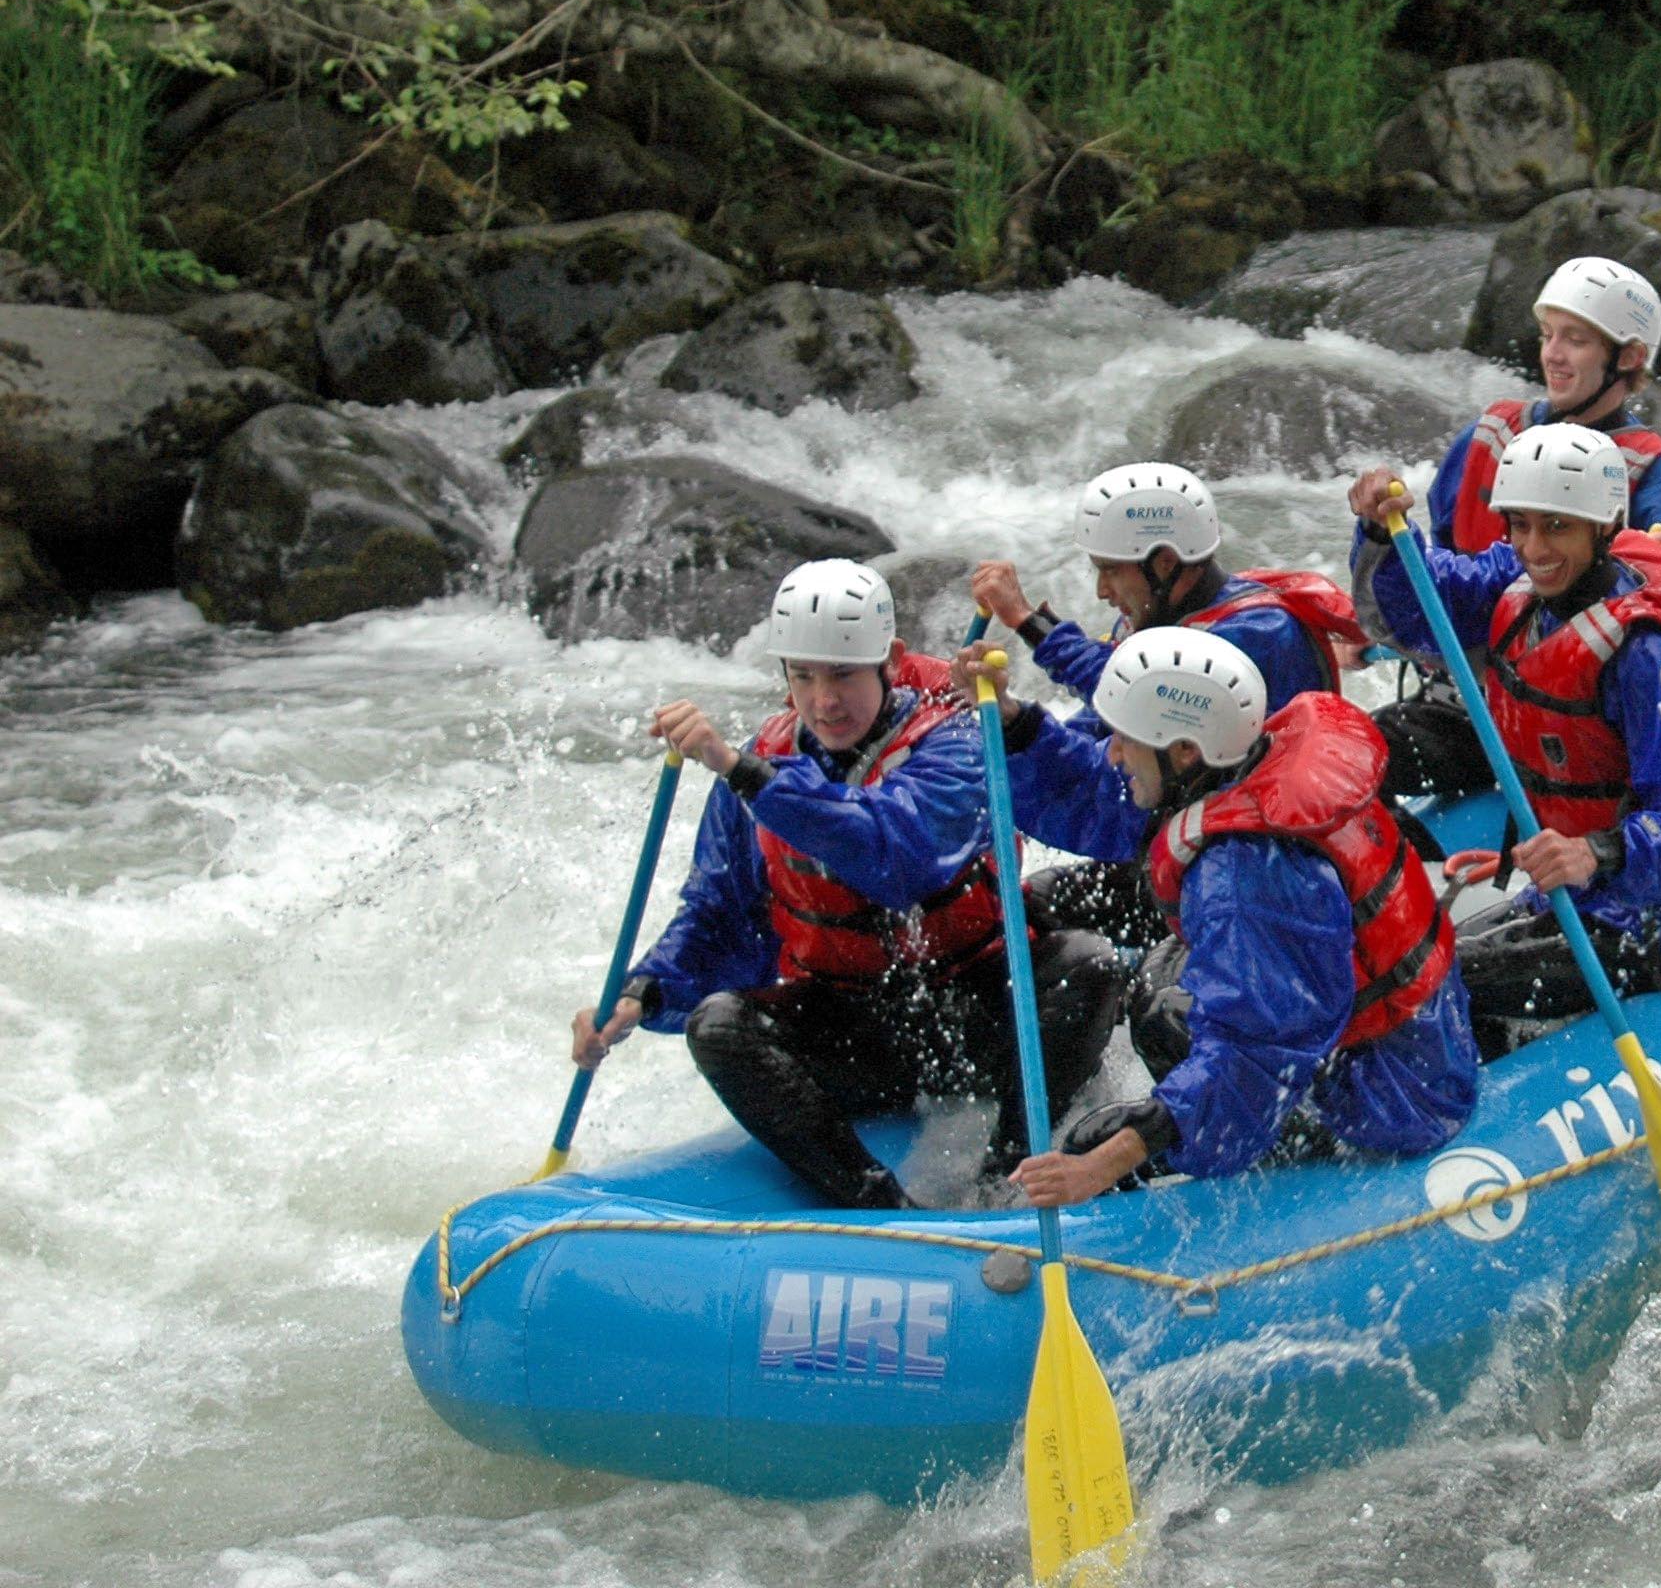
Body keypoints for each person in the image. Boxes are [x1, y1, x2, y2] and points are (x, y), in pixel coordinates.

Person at [567, 560, 1124, 1211]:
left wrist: (736, 769)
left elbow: (897, 857)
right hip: (860, 1032)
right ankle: (879, 1207)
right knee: (717, 1025)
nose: (824, 700)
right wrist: (639, 994)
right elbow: (719, 916)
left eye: (842, 675)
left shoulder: (954, 743)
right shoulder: (761, 764)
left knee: (1085, 965)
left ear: (889, 662)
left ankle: (1005, 1178)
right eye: (802, 676)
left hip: (975, 1013)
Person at [999, 631, 1478, 1208]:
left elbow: (1255, 1054)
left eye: (1126, 739)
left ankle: (1273, 1183)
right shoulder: (1250, 766)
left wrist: (1112, 1157)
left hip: (1394, 1094)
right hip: (1414, 1035)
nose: (1114, 754)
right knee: (1159, 988)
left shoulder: (1246, 879)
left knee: (1096, 1133)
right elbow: (1099, 800)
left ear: (1183, 752)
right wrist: (1016, 725)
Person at [1349, 424, 1661, 1056]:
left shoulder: (1647, 650)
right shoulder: (1518, 587)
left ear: (1603, 526)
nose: (1535, 548)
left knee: (1430, 986)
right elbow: (1417, 603)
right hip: (1567, 893)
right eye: (1521, 525)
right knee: (1407, 972)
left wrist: (1597, 852)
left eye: (1557, 527)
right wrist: (1381, 532)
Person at [1371, 257, 1661, 798]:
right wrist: (1381, 557)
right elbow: (1445, 572)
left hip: (1579, 712)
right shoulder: (1492, 435)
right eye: (1548, 335)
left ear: (1629, 357)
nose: (1552, 354)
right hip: (1469, 690)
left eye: (1576, 339)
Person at [972, 460, 1364, 952]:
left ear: (1163, 562)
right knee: (1031, 902)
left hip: (1252, 873)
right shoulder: (1156, 628)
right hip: (1185, 842)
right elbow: (1102, 730)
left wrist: (1030, 623)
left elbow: (1138, 709)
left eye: (1110, 570)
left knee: (1048, 915)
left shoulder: (1259, 635)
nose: (1100, 591)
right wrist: (1006, 727)